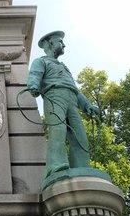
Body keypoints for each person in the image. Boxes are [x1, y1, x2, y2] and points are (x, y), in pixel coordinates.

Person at [27, 31, 99, 179]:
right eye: (60, 41)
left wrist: (88, 105)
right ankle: (55, 165)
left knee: (79, 135)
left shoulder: (64, 67)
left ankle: (82, 167)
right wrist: (33, 85)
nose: (63, 44)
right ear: (49, 43)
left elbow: (75, 90)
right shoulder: (41, 61)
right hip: (54, 96)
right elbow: (34, 75)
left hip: (72, 99)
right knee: (57, 130)